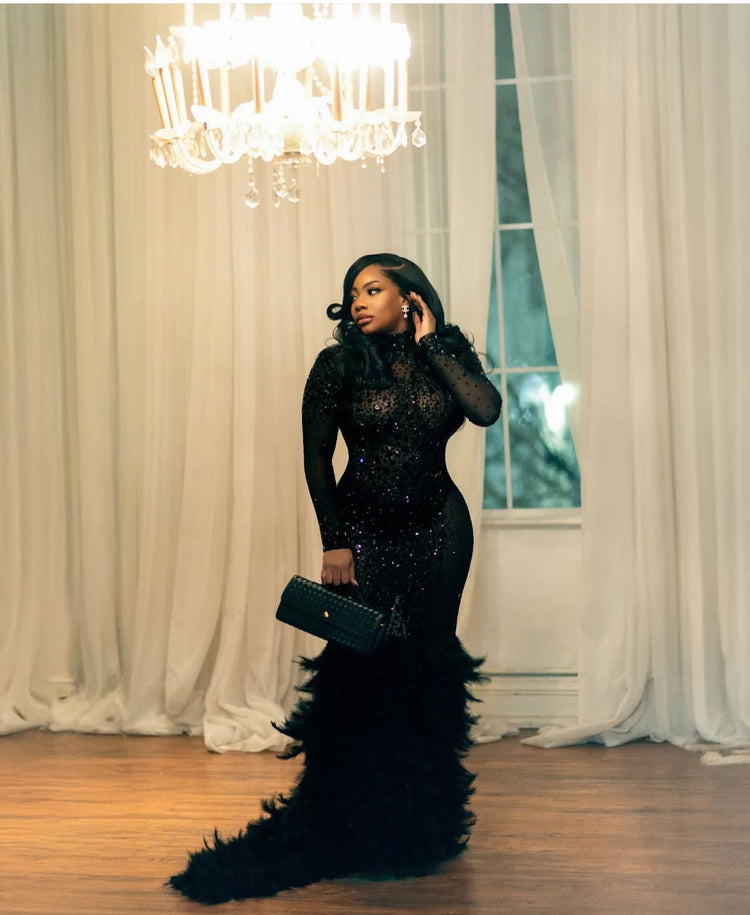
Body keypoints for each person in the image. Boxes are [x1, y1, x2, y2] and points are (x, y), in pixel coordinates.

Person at [168, 253, 503, 904]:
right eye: (353, 292)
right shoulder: (338, 365)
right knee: (359, 671)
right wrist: (336, 541)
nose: (358, 301)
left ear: (410, 299)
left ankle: (423, 824)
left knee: (426, 667)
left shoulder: (444, 356)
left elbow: (485, 410)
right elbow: (316, 458)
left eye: (373, 289)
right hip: (364, 534)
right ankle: (351, 820)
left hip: (439, 531)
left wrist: (433, 343)